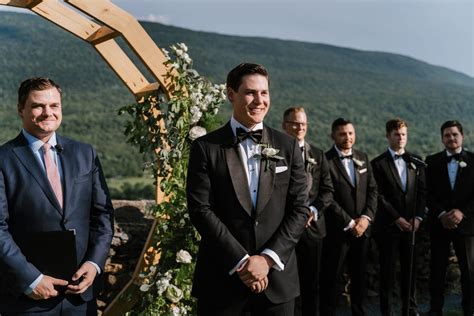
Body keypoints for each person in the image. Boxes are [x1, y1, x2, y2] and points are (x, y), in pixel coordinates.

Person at [186, 63, 309, 315]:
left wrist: (267, 259)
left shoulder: (288, 146)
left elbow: (299, 208)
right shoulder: (205, 148)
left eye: (264, 93)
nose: (259, 100)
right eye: (251, 92)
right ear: (231, 94)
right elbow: (200, 209)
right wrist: (242, 262)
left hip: (277, 281)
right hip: (222, 281)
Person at [0, 77, 114, 315]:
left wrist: (94, 264)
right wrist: (30, 279)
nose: (47, 112)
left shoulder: (85, 153)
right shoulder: (4, 159)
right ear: (21, 110)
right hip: (27, 298)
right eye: (38, 106)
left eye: (54, 106)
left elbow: (102, 216)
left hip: (80, 297)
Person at [319, 118, 377, 316]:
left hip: (363, 230)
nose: (348, 137)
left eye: (351, 133)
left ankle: (358, 312)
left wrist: (366, 219)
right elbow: (327, 197)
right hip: (337, 231)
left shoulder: (363, 157)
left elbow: (372, 191)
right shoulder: (325, 160)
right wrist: (350, 222)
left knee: (360, 277)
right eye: (343, 134)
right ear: (333, 136)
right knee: (331, 278)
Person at [371, 118, 426, 316]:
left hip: (412, 227)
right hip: (388, 227)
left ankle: (410, 310)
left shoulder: (417, 161)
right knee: (387, 273)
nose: (401, 138)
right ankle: (386, 311)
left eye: (403, 134)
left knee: (410, 272)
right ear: (388, 136)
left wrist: (418, 218)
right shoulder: (377, 164)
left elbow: (422, 193)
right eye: (396, 134)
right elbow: (378, 195)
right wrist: (396, 218)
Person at [282, 106, 333, 316]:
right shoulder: (276, 152)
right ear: (285, 125)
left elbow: (327, 191)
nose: (300, 127)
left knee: (312, 283)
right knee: (284, 284)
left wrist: (312, 210)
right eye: (295, 123)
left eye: (303, 123)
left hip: (312, 230)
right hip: (284, 229)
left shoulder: (318, 155)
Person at [426, 120, 474, 316]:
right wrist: (440, 214)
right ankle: (435, 309)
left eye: (455, 134)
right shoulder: (432, 161)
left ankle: (469, 310)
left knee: (469, 271)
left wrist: (462, 212)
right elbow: (427, 192)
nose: (451, 138)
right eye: (447, 135)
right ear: (442, 138)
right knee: (437, 269)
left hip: (467, 224)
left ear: (462, 136)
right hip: (440, 224)